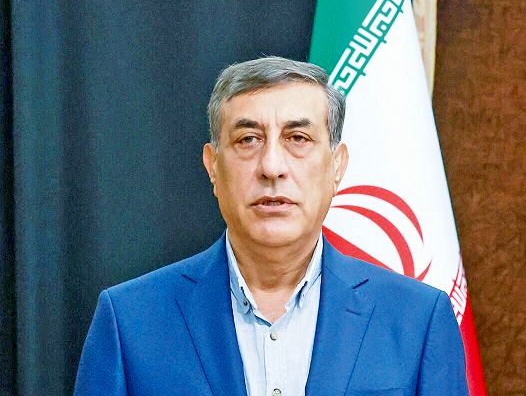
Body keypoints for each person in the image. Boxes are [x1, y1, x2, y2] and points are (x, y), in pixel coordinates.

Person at [74, 56, 468, 396]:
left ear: (337, 166)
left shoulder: (418, 320)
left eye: (298, 138)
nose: (272, 167)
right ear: (213, 167)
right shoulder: (130, 321)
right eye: (248, 139)